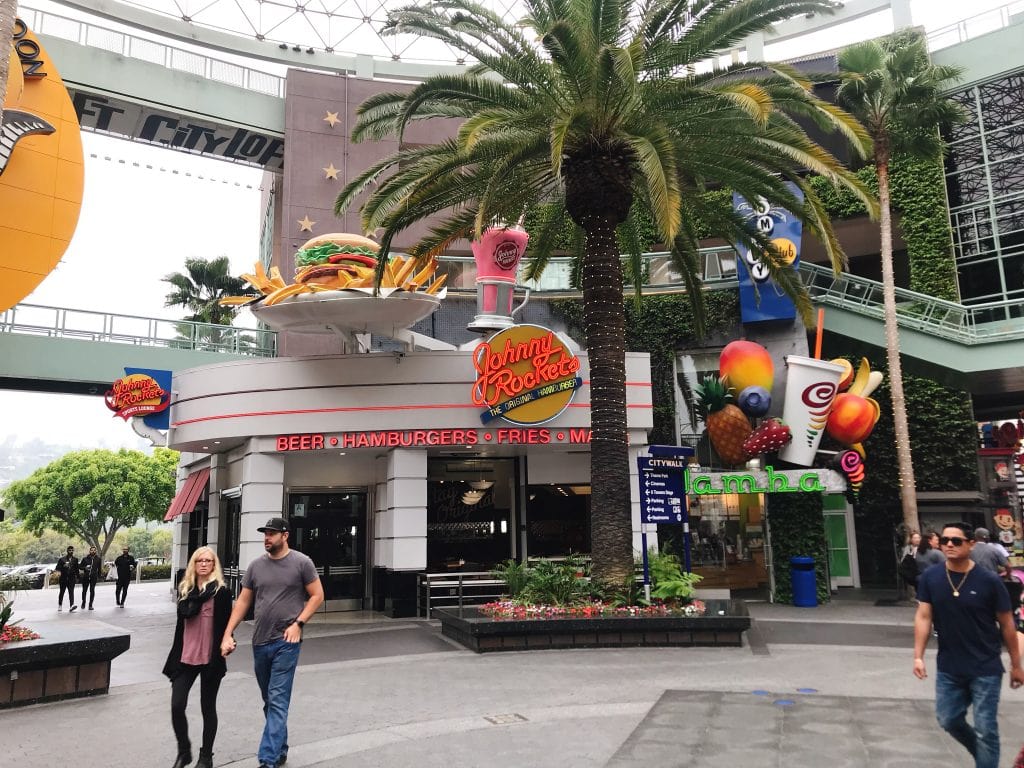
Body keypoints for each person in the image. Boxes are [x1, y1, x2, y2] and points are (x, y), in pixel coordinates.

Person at [913, 522, 1024, 768]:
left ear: (971, 544)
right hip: (949, 666)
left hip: (985, 666)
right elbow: (923, 616)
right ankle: (985, 757)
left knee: (986, 729)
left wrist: (1016, 665)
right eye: (945, 541)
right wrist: (918, 656)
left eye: (957, 541)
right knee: (948, 719)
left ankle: (986, 761)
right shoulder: (931, 577)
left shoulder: (989, 581)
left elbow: (1007, 625)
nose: (949, 545)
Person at [220, 517, 324, 768]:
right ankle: (280, 748)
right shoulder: (256, 566)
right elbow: (243, 602)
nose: (267, 538)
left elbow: (317, 595)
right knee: (270, 699)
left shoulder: (302, 563)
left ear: (285, 535)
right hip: (260, 642)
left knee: (277, 698)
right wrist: (227, 633)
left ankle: (267, 760)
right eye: (265, 533)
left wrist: (298, 624)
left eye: (272, 533)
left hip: (287, 642)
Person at [163, 547, 234, 768]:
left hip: (210, 657)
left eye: (208, 561)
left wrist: (228, 641)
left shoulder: (221, 592)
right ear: (194, 564)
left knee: (207, 708)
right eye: (199, 560)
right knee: (177, 705)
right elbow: (179, 628)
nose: (203, 564)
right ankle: (184, 751)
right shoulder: (185, 590)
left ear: (214, 565)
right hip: (185, 657)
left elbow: (226, 625)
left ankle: (206, 757)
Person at [55, 545, 79, 612]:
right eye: (69, 550)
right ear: (67, 551)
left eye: (72, 550)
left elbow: (77, 569)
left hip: (72, 578)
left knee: (71, 592)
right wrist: (64, 566)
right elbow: (57, 568)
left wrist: (78, 577)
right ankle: (60, 605)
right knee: (62, 592)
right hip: (63, 578)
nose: (71, 551)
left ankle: (71, 606)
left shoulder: (75, 559)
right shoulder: (62, 559)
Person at [78, 545, 101, 610]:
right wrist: (85, 568)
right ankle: (83, 602)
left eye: (94, 550)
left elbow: (99, 569)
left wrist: (99, 576)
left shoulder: (98, 559)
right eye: (92, 550)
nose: (93, 551)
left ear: (95, 551)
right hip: (86, 577)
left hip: (94, 577)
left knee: (92, 590)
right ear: (89, 551)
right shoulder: (85, 559)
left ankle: (90, 605)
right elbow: (80, 567)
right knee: (84, 590)